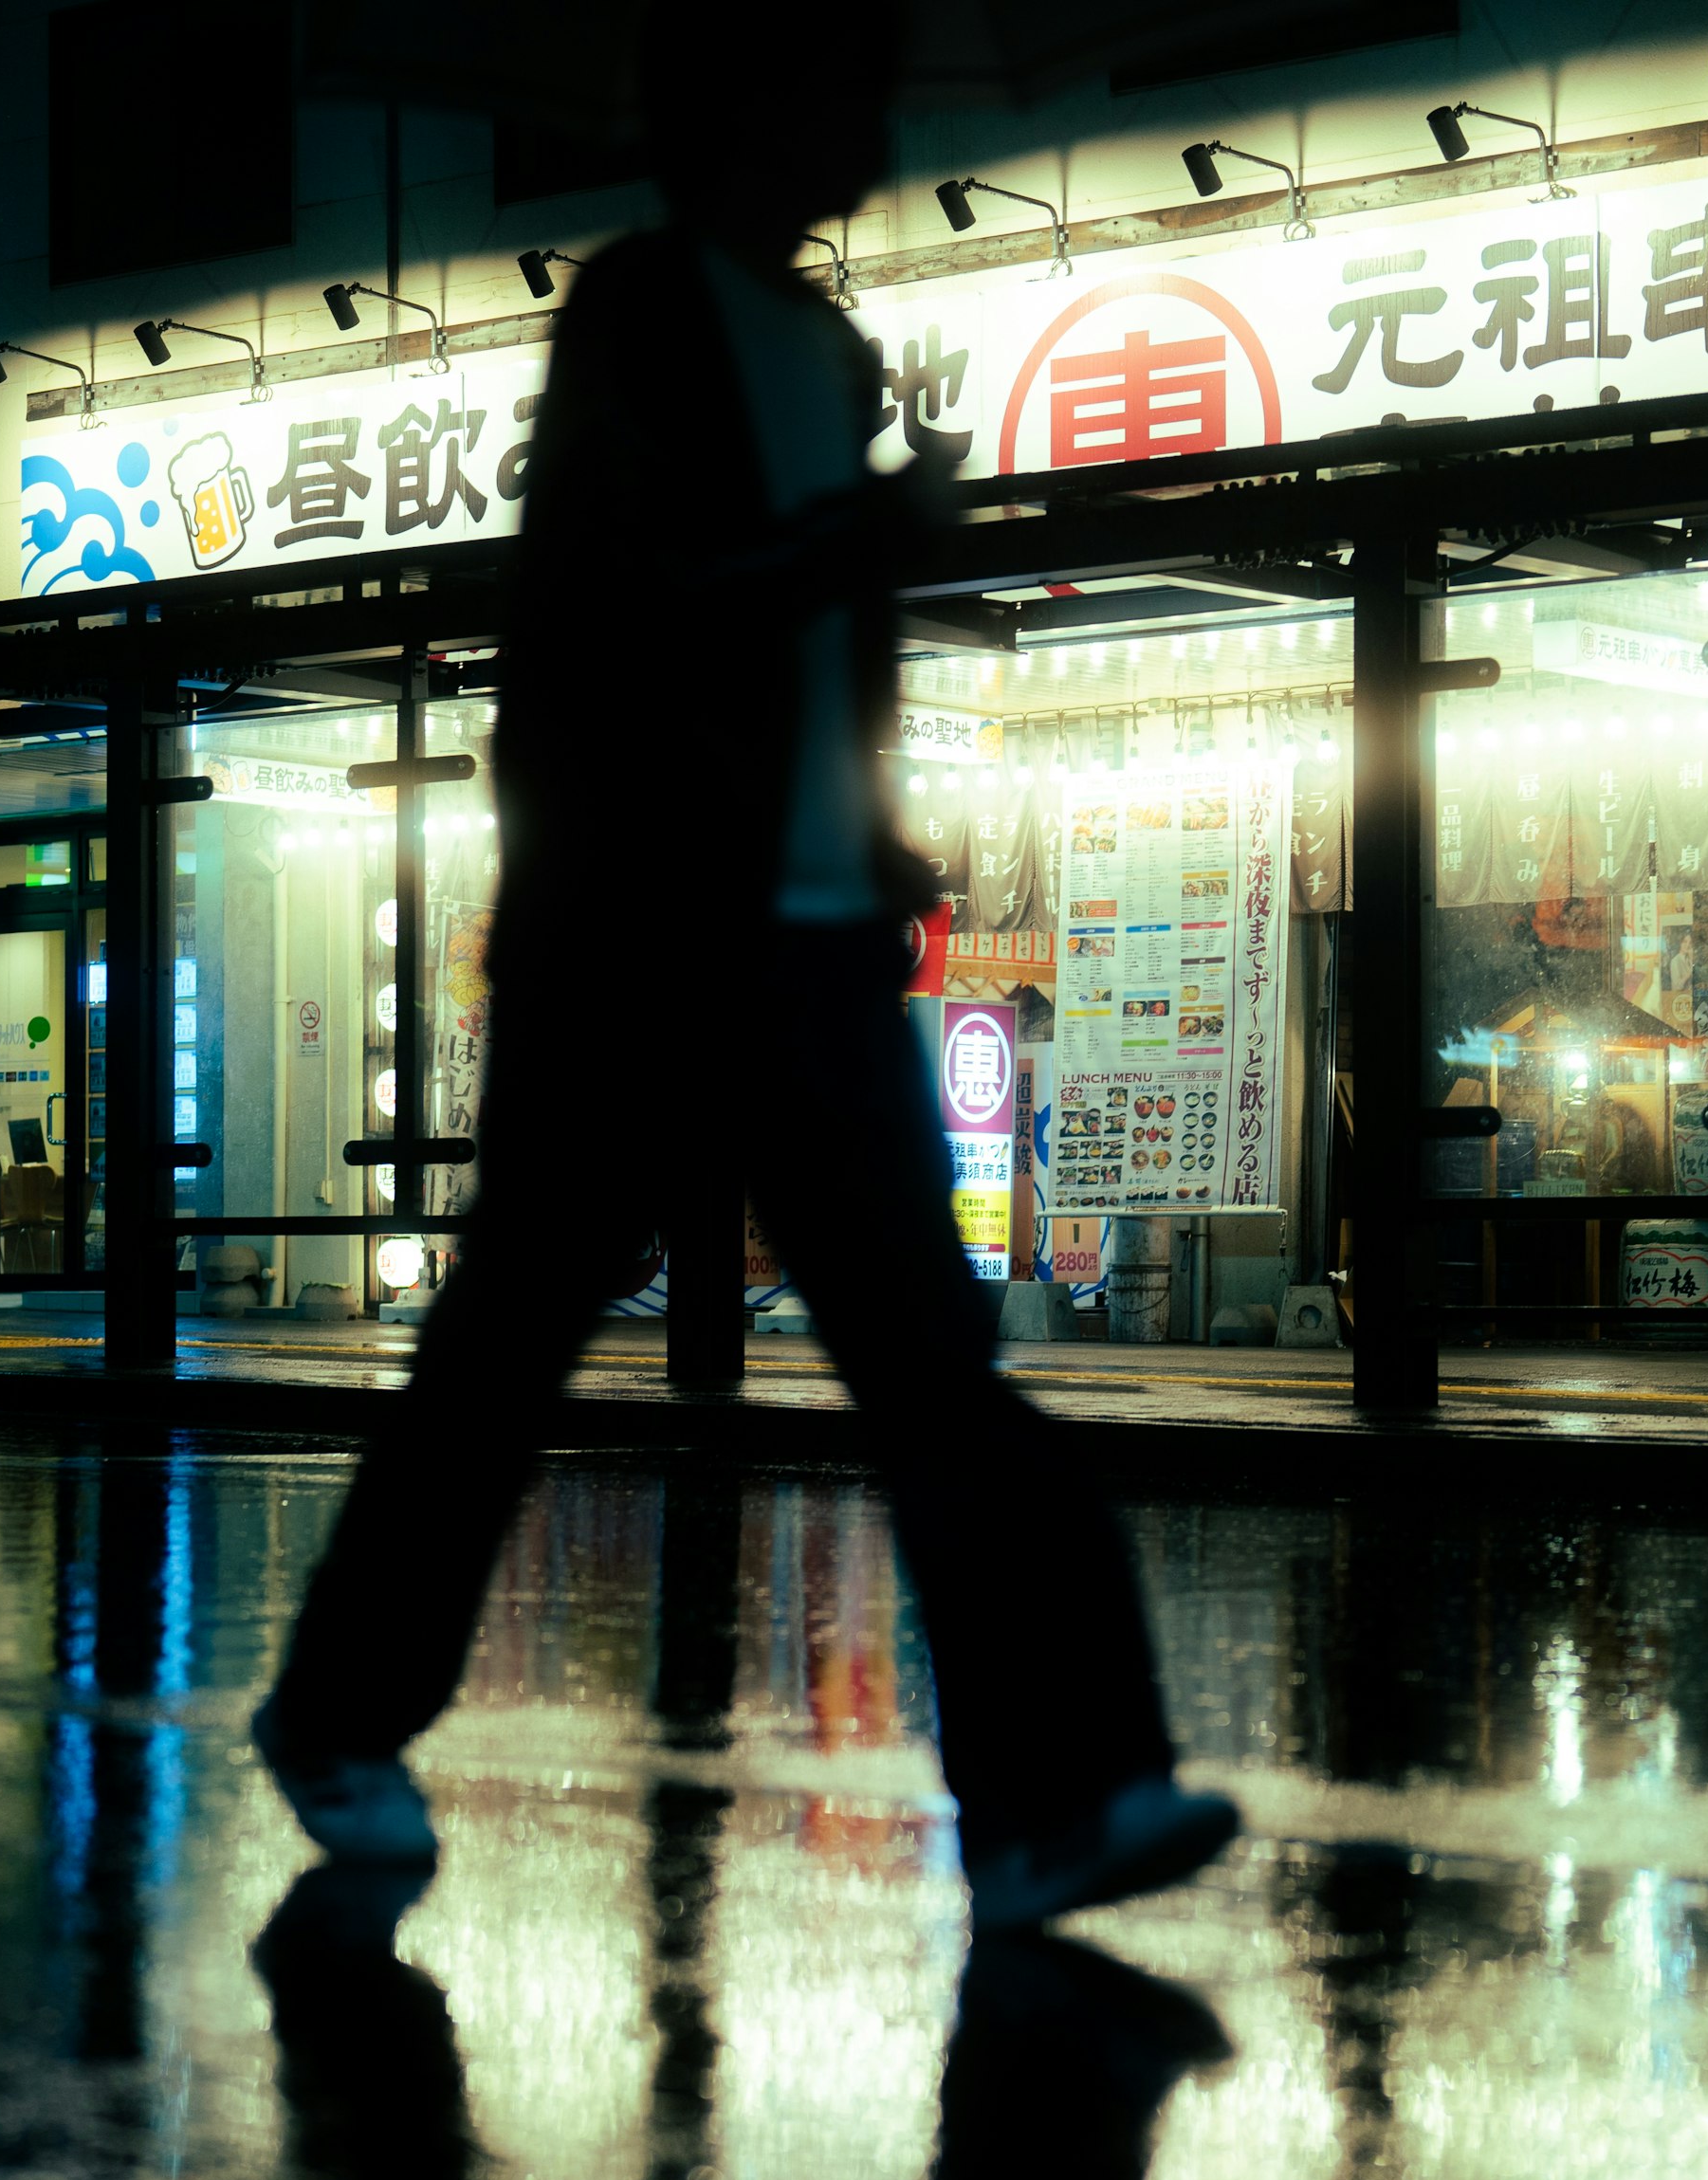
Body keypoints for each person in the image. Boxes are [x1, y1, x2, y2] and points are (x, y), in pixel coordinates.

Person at [249, 7, 1236, 1932]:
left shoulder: (828, 344)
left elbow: (808, 660)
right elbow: (615, 609)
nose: (867, 117)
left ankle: (1060, 1798)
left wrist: (870, 829)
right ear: (741, 108)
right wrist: (846, 541)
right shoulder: (638, 314)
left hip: (803, 943)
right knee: (511, 1338)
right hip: (632, 934)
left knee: (937, 1372)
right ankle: (338, 1709)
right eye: (834, 79)